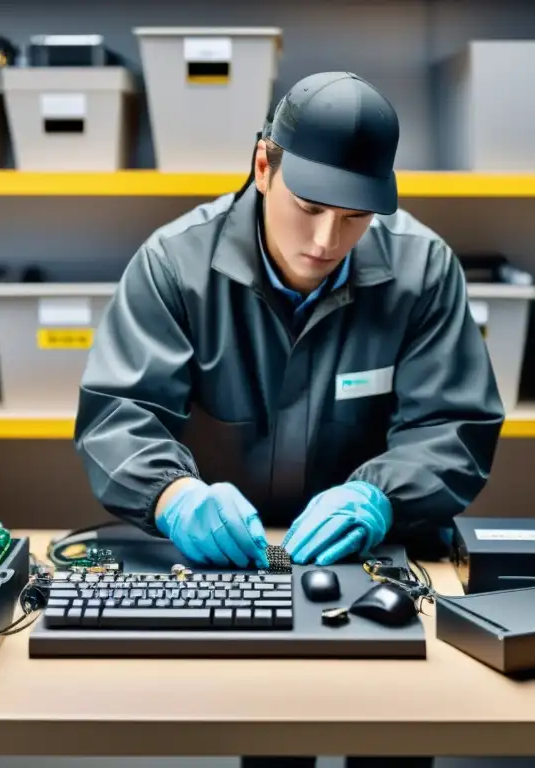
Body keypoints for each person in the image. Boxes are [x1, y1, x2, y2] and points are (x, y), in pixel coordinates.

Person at [74, 72, 505, 768]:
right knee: (272, 739)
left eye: (356, 216)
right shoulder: (176, 265)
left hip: (379, 564)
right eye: (308, 206)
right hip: (235, 563)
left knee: (391, 742)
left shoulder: (423, 271)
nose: (328, 239)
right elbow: (119, 415)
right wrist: (173, 495)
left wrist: (380, 495)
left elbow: (454, 425)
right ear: (263, 164)